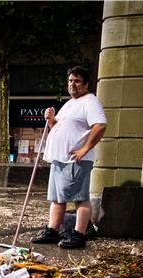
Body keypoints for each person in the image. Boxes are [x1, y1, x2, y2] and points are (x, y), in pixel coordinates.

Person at [31, 66, 106, 249]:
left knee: (80, 198)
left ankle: (79, 234)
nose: (73, 84)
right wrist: (51, 120)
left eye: (77, 81)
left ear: (86, 84)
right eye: (70, 81)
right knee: (57, 198)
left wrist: (84, 149)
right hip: (60, 160)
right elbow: (59, 127)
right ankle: (52, 230)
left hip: (75, 160)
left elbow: (100, 126)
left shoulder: (89, 101)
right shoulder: (70, 103)